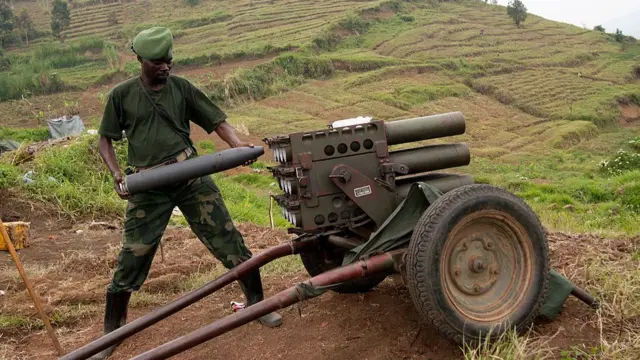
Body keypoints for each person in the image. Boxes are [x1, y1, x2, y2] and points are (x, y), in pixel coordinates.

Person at [92, 27, 282, 360]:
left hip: (190, 176)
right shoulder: (121, 96)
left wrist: (237, 146)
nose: (166, 67)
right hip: (147, 186)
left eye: (169, 61)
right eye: (158, 62)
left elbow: (217, 121)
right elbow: (105, 139)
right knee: (132, 258)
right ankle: (112, 333)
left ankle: (257, 305)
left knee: (228, 239)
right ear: (140, 60)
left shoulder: (181, 89)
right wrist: (116, 175)